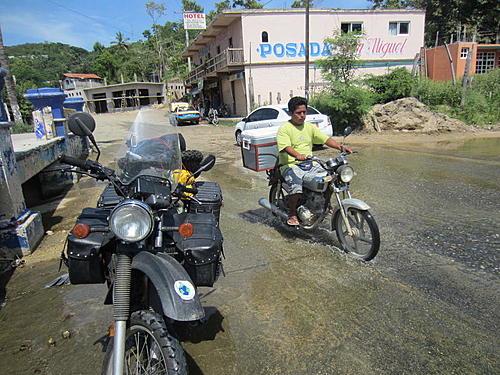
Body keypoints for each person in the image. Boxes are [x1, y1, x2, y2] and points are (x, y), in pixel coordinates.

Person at [277, 96, 353, 226]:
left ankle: (325, 204)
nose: (302, 115)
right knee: (296, 184)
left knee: (330, 177)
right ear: (291, 113)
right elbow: (286, 147)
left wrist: (340, 147)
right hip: (290, 164)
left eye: (304, 112)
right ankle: (293, 214)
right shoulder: (284, 129)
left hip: (309, 163)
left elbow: (324, 139)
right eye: (298, 113)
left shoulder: (309, 127)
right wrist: (298, 155)